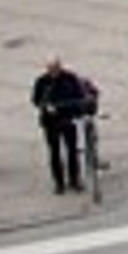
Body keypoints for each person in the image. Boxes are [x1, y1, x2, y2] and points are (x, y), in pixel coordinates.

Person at [29, 58, 96, 195]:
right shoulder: (42, 82)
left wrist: (73, 108)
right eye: (51, 69)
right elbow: (35, 100)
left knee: (72, 150)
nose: (53, 72)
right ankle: (59, 183)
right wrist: (45, 107)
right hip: (51, 123)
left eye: (56, 68)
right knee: (54, 153)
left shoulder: (70, 78)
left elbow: (79, 96)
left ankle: (74, 179)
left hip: (68, 119)